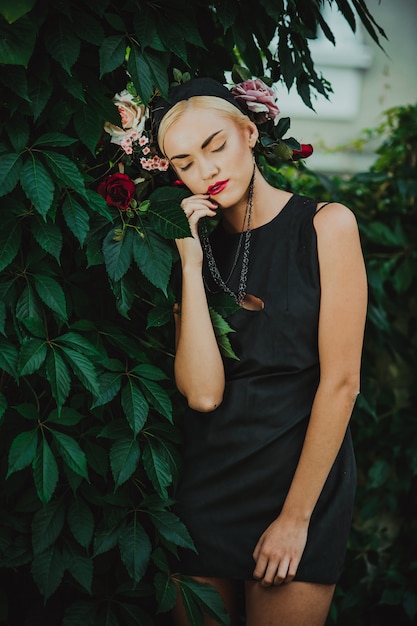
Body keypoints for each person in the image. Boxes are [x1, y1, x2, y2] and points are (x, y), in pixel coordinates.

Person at [154, 77, 368, 626]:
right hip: (210, 483)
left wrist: (295, 518)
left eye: (216, 146)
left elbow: (342, 383)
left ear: (249, 132)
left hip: (299, 484)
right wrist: (191, 264)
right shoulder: (188, 245)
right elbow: (202, 394)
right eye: (184, 162)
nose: (206, 170)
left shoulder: (326, 225)